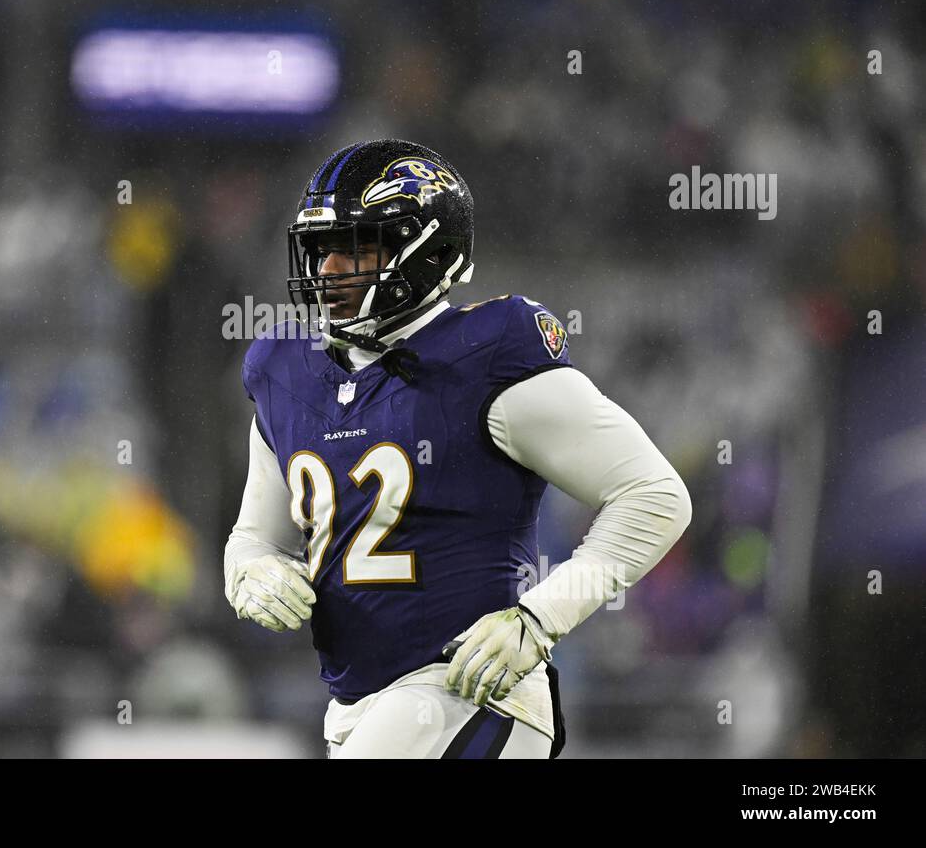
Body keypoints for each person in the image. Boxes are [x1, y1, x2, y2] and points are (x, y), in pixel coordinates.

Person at [224, 139, 692, 758]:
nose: (330, 268)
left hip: (467, 689)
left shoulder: (489, 352)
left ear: (429, 249)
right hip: (356, 707)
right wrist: (249, 574)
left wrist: (538, 620)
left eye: (359, 246)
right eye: (322, 248)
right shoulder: (286, 371)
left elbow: (655, 496)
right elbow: (253, 537)